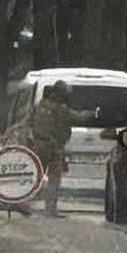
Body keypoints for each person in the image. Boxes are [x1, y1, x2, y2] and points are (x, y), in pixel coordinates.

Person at [28, 80, 97, 218]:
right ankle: (50, 209)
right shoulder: (60, 109)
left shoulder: (39, 106)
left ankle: (25, 203)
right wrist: (93, 113)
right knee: (54, 179)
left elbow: (28, 122)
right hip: (54, 147)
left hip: (38, 145)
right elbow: (78, 117)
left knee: (34, 177)